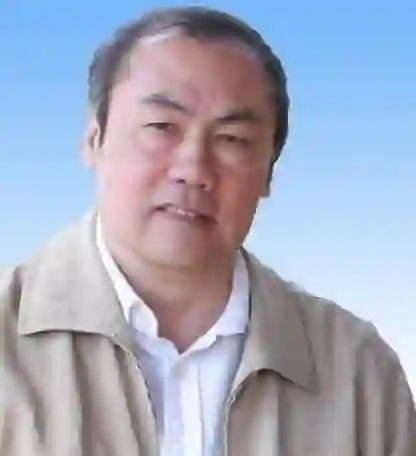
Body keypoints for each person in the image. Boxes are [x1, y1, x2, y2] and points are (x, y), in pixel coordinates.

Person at [0, 6, 414, 456]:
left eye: (232, 139)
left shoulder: (358, 371)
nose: (193, 169)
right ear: (93, 139)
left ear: (269, 173)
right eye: (162, 127)